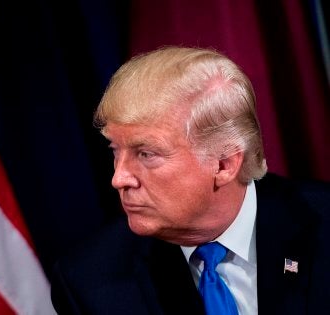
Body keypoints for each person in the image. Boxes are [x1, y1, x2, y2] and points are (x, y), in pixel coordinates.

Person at [50, 46, 330, 314]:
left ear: (224, 164)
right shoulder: (89, 282)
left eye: (146, 154)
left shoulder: (323, 224)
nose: (119, 178)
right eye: (115, 151)